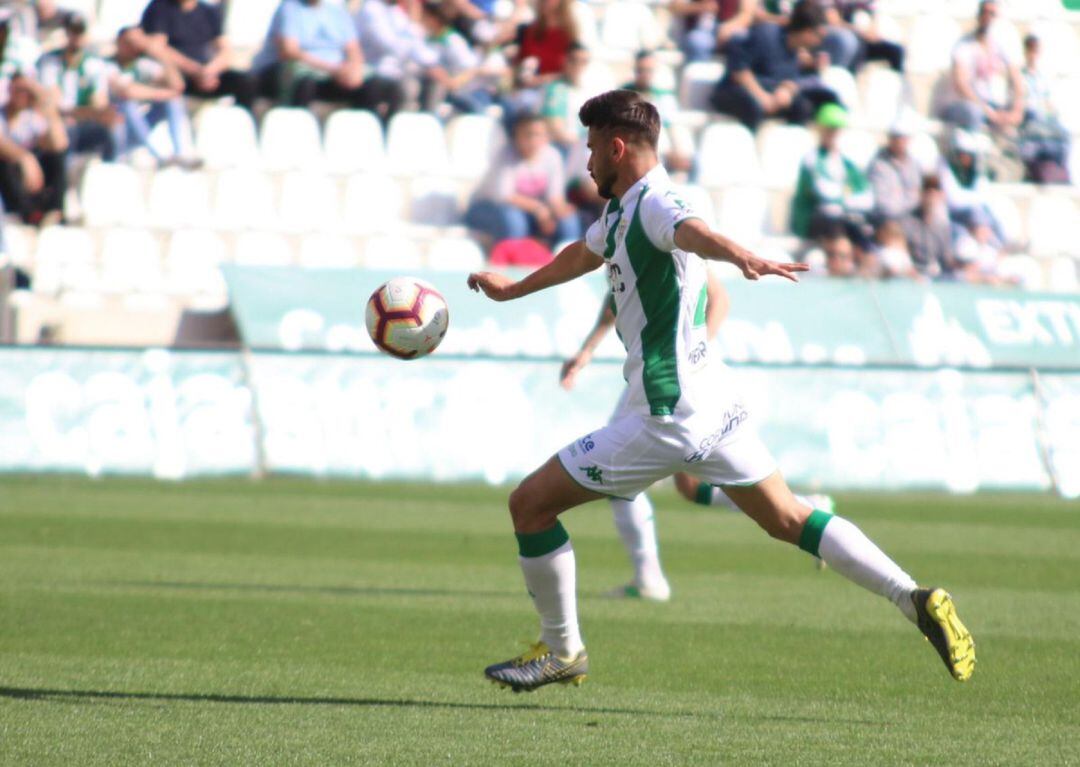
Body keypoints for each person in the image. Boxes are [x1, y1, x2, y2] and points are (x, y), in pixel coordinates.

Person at [466, 89, 975, 692]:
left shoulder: (656, 204)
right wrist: (514, 290)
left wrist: (742, 256)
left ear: (617, 147)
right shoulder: (626, 209)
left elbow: (693, 232)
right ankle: (913, 598)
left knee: (530, 504)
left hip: (667, 414)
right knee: (789, 517)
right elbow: (585, 252)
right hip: (712, 398)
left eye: (592, 148)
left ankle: (562, 651)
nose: (586, 162)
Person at [560, 272, 835, 599]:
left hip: (679, 378)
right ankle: (804, 506)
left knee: (616, 475)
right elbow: (617, 296)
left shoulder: (665, 228)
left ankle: (649, 579)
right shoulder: (622, 232)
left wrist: (694, 354)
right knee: (689, 487)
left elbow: (719, 298)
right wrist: (588, 349)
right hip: (658, 375)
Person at [255, 0, 403, 120]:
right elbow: (289, 51)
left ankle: (370, 136)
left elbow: (354, 49)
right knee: (305, 84)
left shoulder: (337, 12)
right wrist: (334, 69)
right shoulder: (290, 8)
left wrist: (353, 70)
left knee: (381, 87)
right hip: (304, 71)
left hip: (336, 73)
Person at [710, 0, 838, 132]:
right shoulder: (766, 34)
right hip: (738, 90)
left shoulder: (797, 52)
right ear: (807, 31)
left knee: (802, 107)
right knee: (753, 107)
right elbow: (738, 68)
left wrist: (787, 91)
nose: (820, 42)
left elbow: (794, 81)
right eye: (819, 36)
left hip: (770, 94)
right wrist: (763, 97)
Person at [464, 112, 581, 250]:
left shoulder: (552, 156)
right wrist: (539, 209)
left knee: (568, 220)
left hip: (531, 211)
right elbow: (504, 196)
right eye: (527, 134)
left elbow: (554, 196)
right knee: (513, 220)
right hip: (487, 208)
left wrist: (559, 210)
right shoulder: (505, 155)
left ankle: (566, 261)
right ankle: (514, 261)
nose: (533, 140)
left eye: (538, 134)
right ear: (516, 136)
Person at [791, 104, 875, 268]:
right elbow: (824, 192)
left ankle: (864, 267)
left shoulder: (847, 163)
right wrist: (847, 198)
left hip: (842, 217)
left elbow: (867, 197)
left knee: (864, 229)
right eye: (829, 129)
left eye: (836, 130)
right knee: (834, 219)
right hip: (814, 220)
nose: (833, 134)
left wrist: (843, 200)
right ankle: (838, 260)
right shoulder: (812, 159)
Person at [139, 0, 259, 112]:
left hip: (206, 73)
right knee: (173, 83)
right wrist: (193, 69)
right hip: (177, 74)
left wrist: (211, 70)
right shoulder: (160, 7)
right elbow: (157, 48)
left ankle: (241, 123)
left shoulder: (208, 12)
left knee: (244, 82)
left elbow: (225, 50)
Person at [38, 14, 123, 161]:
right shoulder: (50, 62)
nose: (76, 37)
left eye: (80, 32)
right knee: (63, 131)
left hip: (81, 121)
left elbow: (98, 104)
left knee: (111, 128)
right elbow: (51, 102)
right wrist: (82, 112)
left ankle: (111, 165)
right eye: (73, 32)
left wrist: (84, 113)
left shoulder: (94, 65)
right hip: (58, 121)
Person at [108, 26, 194, 167]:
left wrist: (160, 54)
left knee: (173, 102)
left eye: (138, 42)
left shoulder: (142, 65)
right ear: (119, 42)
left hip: (144, 123)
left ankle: (182, 152)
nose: (134, 47)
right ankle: (159, 155)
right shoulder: (107, 65)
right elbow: (127, 92)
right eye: (130, 42)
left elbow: (177, 86)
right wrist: (163, 94)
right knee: (127, 106)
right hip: (120, 131)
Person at [940, 0, 1024, 134]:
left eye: (992, 14)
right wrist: (987, 111)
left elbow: (1017, 80)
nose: (988, 17)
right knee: (974, 113)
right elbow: (961, 85)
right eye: (985, 12)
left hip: (992, 104)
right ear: (978, 15)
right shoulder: (963, 46)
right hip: (965, 105)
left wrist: (1017, 110)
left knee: (1030, 116)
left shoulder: (1001, 45)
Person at [0, 72, 68, 226]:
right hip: (9, 178)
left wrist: (42, 101)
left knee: (55, 158)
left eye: (26, 91)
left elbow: (59, 143)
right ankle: (27, 214)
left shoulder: (32, 118)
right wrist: (24, 158)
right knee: (5, 164)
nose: (22, 95)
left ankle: (55, 210)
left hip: (31, 180)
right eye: (18, 90)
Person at [418, 0, 502, 115]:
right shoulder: (426, 38)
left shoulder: (453, 41)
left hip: (463, 89)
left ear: (434, 19)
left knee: (477, 112)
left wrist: (454, 82)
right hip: (439, 86)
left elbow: (472, 68)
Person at [1018, 34, 1070, 184]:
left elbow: (1048, 102)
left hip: (1043, 119)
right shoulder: (1019, 75)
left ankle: (1060, 172)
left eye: (1035, 50)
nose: (1033, 54)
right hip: (1029, 117)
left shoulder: (1042, 77)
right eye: (1030, 50)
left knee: (1062, 133)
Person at [867, 113, 922, 224]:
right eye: (896, 137)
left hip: (911, 218)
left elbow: (917, 195)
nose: (900, 141)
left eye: (903, 137)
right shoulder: (878, 165)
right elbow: (883, 204)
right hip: (886, 220)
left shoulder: (914, 165)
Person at [901, 175, 957, 279]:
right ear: (921, 194)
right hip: (912, 276)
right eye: (928, 192)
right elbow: (902, 257)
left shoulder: (943, 227)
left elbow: (947, 260)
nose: (931, 197)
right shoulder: (906, 223)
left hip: (937, 276)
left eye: (936, 192)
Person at [670, 0, 758, 63]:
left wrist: (727, 28)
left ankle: (736, 85)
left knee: (740, 39)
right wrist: (700, 7)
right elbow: (675, 7)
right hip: (700, 31)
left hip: (730, 28)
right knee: (698, 42)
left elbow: (747, 14)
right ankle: (700, 85)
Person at [541, 42, 589, 156]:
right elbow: (557, 130)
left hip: (582, 148)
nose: (578, 65)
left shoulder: (588, 90)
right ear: (565, 61)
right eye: (573, 60)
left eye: (583, 61)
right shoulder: (556, 89)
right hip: (563, 150)